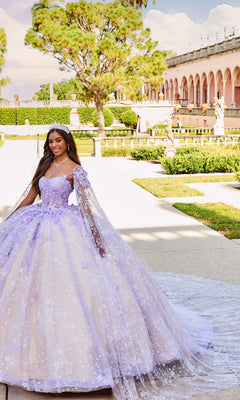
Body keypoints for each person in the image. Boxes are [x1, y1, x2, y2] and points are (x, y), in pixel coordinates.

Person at [0, 123, 240, 399]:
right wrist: (9, 221)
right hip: (39, 223)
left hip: (66, 225)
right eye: (51, 141)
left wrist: (95, 236)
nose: (54, 145)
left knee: (79, 287)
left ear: (67, 142)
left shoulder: (75, 169)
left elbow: (88, 206)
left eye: (58, 141)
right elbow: (30, 197)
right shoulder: (44, 165)